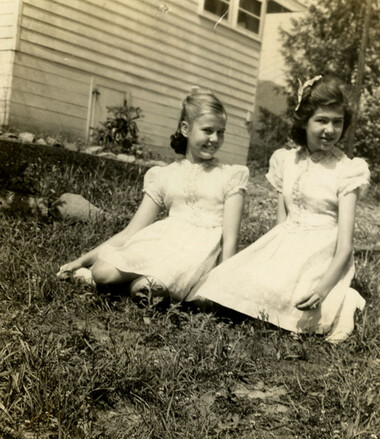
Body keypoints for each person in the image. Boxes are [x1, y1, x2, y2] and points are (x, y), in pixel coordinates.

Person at [188, 75, 370, 342]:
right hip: (286, 245)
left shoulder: (347, 170)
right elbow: (280, 226)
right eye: (322, 120)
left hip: (323, 256)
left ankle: (344, 300)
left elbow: (344, 247)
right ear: (305, 121)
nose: (330, 130)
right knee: (218, 289)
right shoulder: (287, 161)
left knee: (297, 308)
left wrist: (321, 289)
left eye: (337, 122)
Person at [57, 88, 249, 301]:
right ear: (186, 129)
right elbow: (131, 231)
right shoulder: (165, 175)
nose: (215, 139)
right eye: (207, 130)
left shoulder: (230, 176)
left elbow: (231, 240)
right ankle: (116, 280)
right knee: (101, 272)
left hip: (196, 255)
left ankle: (137, 286)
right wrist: (82, 261)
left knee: (144, 290)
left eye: (220, 132)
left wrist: (221, 286)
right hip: (163, 244)